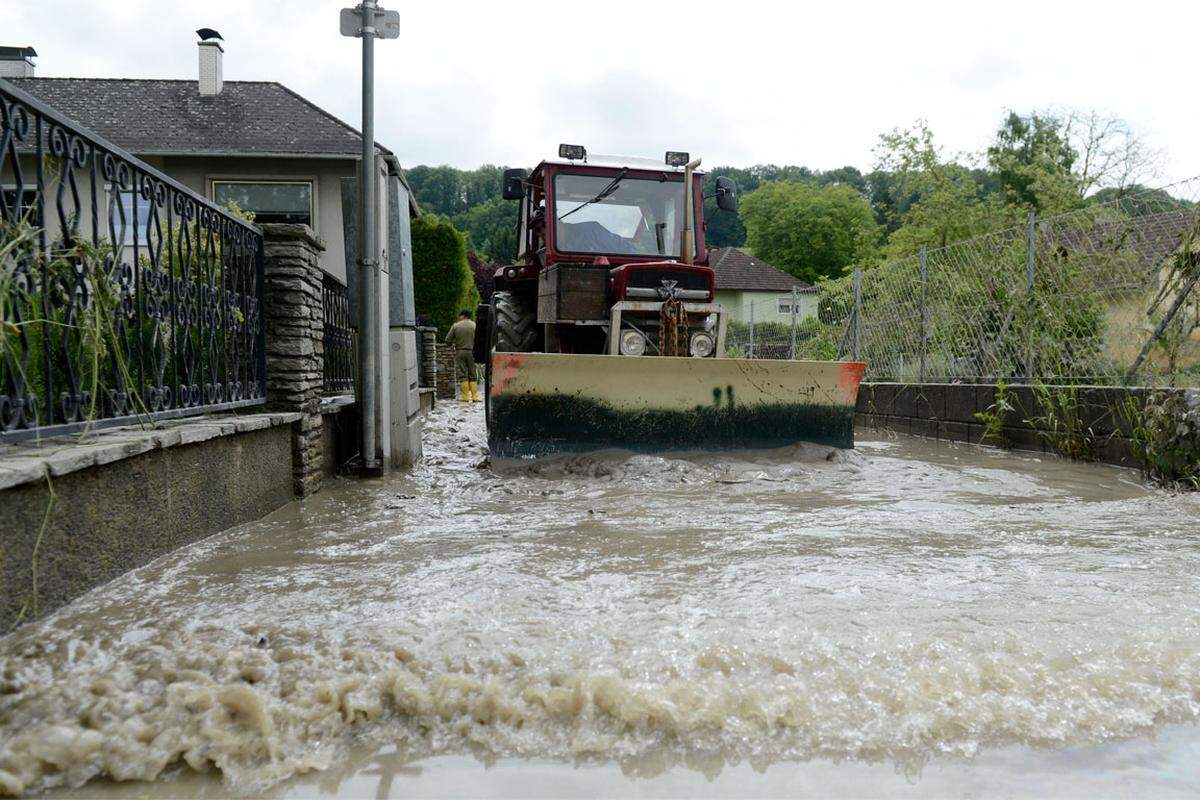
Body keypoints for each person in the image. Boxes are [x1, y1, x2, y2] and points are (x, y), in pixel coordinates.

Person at [445, 310, 479, 402]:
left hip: (460, 352)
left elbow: (448, 341)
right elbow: (480, 340)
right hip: (472, 352)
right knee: (473, 375)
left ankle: (465, 397)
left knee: (463, 375)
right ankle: (475, 397)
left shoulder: (456, 326)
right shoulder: (475, 326)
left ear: (463, 316)